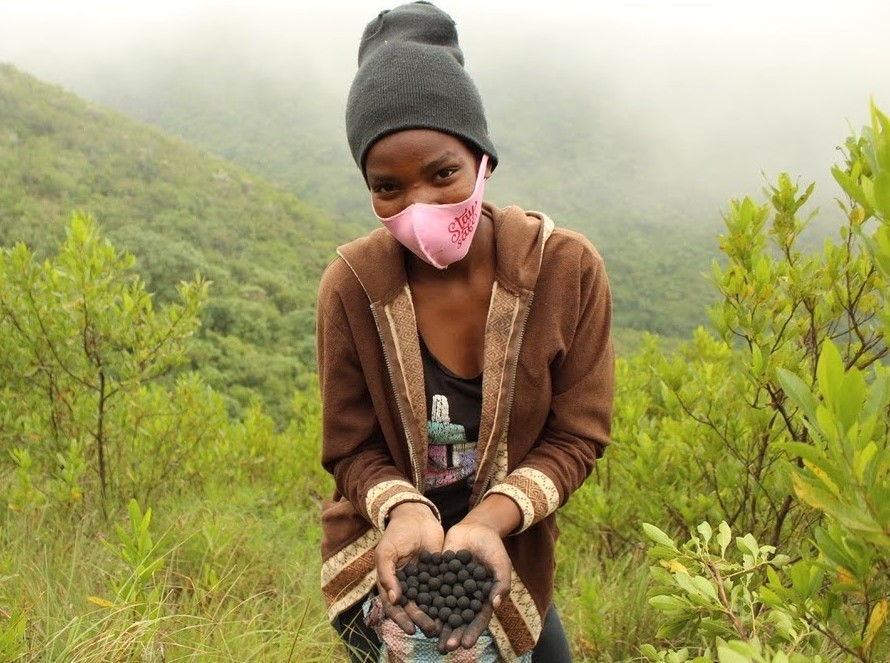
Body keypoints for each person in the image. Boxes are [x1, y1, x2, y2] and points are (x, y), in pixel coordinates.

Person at [316, 2, 614, 661]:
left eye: (442, 173)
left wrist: (487, 519)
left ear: (483, 159)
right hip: (384, 548)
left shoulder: (567, 273)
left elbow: (578, 435)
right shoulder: (352, 288)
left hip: (506, 541)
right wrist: (405, 510)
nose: (418, 205)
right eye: (388, 186)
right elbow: (350, 446)